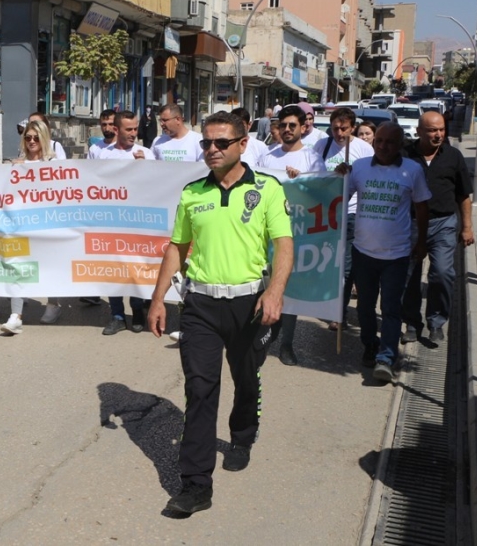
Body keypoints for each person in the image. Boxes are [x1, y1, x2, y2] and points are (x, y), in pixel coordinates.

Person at [148, 110, 294, 515]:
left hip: (250, 304)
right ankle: (195, 485)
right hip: (201, 307)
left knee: (246, 377)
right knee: (200, 390)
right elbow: (176, 247)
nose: (211, 150)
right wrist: (159, 299)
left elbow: (283, 244)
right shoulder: (193, 192)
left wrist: (276, 292)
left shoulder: (266, 188)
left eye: (220, 143)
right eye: (206, 143)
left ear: (242, 144)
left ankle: (243, 433)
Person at [346, 123, 430, 382]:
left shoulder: (412, 171)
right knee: (364, 308)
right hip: (363, 252)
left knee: (391, 308)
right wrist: (338, 176)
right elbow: (337, 195)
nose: (382, 146)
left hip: (397, 255)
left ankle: (386, 357)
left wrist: (422, 242)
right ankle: (370, 344)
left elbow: (422, 209)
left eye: (389, 142)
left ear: (400, 144)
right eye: (379, 140)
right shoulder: (358, 168)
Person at [258, 105, 325, 366]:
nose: (287, 130)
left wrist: (302, 181)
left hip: (297, 231)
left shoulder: (312, 159)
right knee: (263, 283)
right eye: (283, 125)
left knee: (290, 288)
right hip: (265, 232)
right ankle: (266, 335)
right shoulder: (267, 156)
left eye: (292, 126)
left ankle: (287, 344)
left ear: (302, 127)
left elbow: (321, 192)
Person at [401, 111, 474, 344]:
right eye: (432, 130)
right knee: (408, 277)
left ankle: (437, 321)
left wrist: (467, 226)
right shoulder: (404, 155)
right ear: (419, 131)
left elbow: (463, 195)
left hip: (443, 224)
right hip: (410, 225)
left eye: (441, 129)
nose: (438, 134)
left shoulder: (453, 156)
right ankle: (412, 323)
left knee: (442, 273)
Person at [313, 107, 375, 331]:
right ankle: (326, 304)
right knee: (327, 263)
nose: (339, 133)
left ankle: (339, 312)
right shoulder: (322, 146)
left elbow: (370, 181)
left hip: (351, 212)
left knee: (346, 265)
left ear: (353, 127)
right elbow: (313, 175)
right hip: (326, 213)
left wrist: (351, 174)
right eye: (335, 128)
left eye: (344, 129)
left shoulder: (364, 149)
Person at [0, 120, 62, 332]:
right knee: (16, 265)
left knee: (50, 266)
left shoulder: (54, 165)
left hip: (47, 224)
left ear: (44, 139)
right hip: (21, 225)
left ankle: (53, 303)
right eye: (28, 138)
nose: (32, 141)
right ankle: (16, 314)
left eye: (36, 137)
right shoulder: (17, 165)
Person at [97, 111, 154, 335]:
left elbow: (159, 186)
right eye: (128, 129)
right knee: (114, 269)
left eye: (135, 129)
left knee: (135, 268)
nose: (133, 133)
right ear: (117, 130)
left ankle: (138, 310)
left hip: (137, 223)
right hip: (111, 222)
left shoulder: (146, 154)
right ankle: (117, 315)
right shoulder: (104, 155)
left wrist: (145, 168)